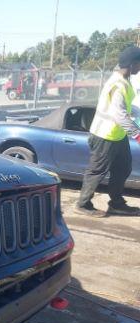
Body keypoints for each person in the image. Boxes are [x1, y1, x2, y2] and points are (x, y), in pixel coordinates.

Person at [75, 46, 140, 217]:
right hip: (104, 135)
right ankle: (83, 204)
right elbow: (119, 113)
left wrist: (138, 113)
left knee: (123, 168)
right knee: (97, 171)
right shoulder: (118, 84)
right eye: (139, 64)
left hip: (117, 136)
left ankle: (116, 204)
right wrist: (137, 134)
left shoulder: (124, 80)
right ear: (132, 64)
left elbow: (125, 107)